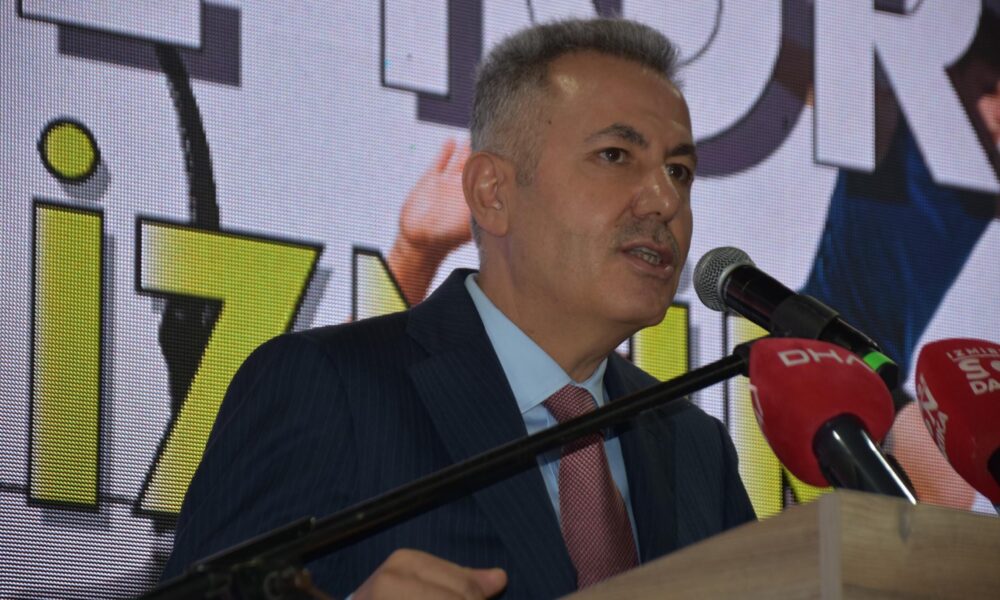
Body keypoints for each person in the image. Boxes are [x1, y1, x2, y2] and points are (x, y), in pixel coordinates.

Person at [161, 18, 755, 599]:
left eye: (679, 171)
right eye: (616, 155)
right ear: (493, 193)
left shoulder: (695, 446)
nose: (665, 199)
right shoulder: (327, 386)